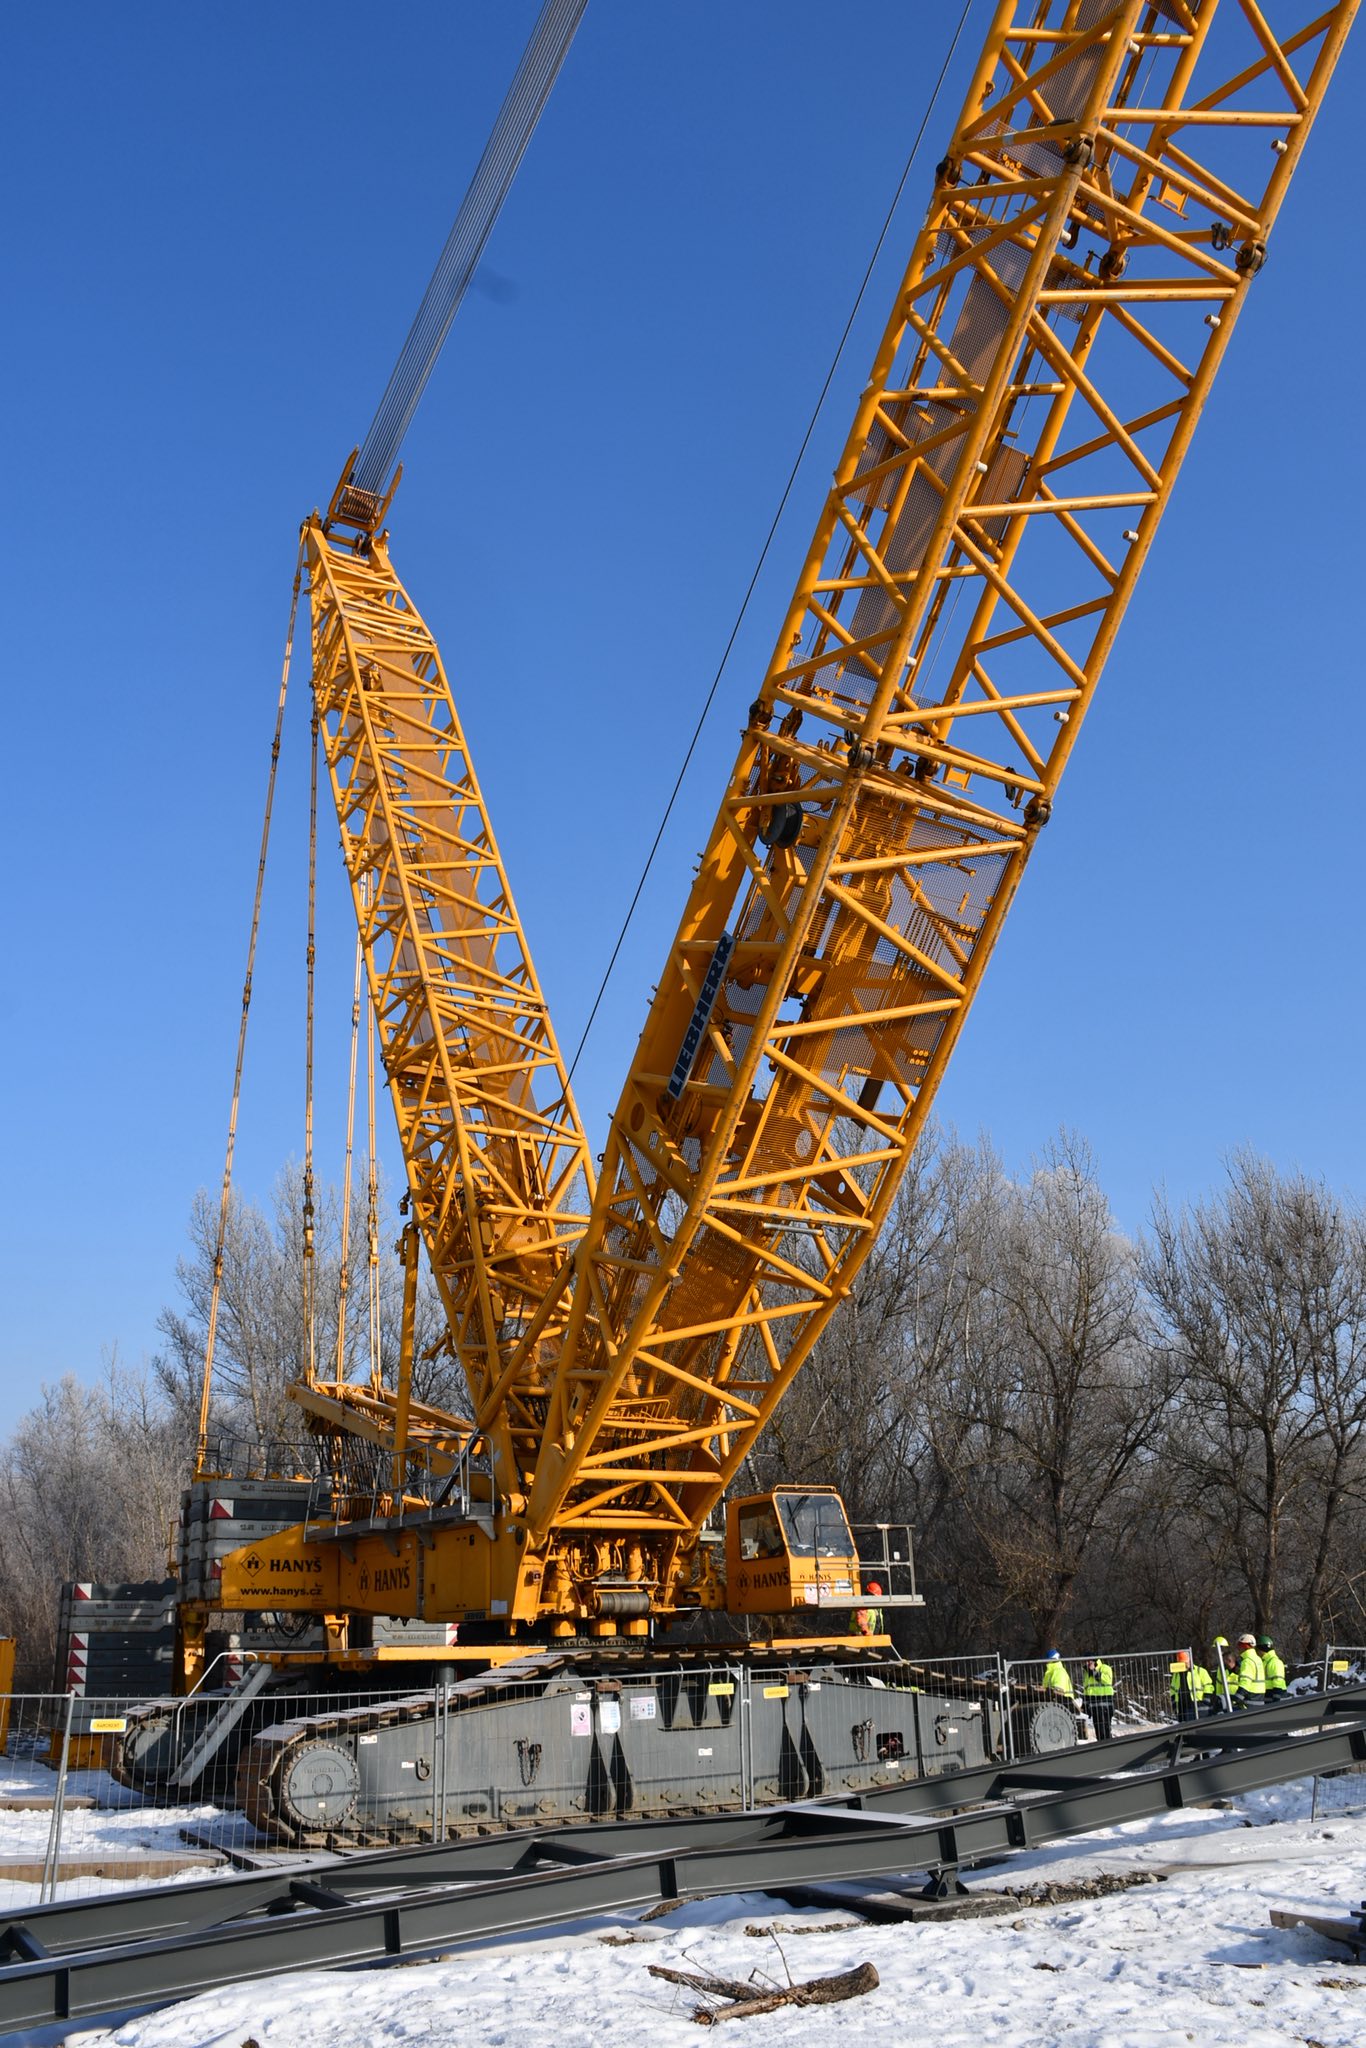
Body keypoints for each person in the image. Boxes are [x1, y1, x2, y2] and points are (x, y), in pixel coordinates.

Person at [1082, 1655, 1115, 1741]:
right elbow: (1087, 1689)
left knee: (1105, 1730)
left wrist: (1094, 1671)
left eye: (1089, 1661)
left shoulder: (1105, 1668)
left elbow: (1108, 1681)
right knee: (1099, 1731)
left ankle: (1109, 1747)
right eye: (1086, 1661)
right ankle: (1103, 1748)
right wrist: (1085, 1705)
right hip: (1094, 1706)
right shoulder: (1086, 1673)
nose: (1087, 1663)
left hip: (1105, 1704)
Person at [1234, 1632, 1266, 1708]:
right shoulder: (1257, 1659)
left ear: (1245, 1645)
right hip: (1260, 1697)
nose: (1238, 1648)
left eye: (1240, 1645)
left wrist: (1238, 1697)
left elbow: (1246, 1681)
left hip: (1250, 1699)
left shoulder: (1247, 1661)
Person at [1259, 1633, 1287, 1701]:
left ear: (1262, 1649)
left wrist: (1276, 1697)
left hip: (1276, 1696)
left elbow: (1278, 1680)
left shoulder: (1274, 1662)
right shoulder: (1265, 1661)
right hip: (1268, 1696)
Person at [1210, 1635, 1235, 1711]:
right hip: (1223, 1702)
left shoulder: (1231, 1664)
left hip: (1234, 1701)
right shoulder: (1220, 1667)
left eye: (1217, 1649)